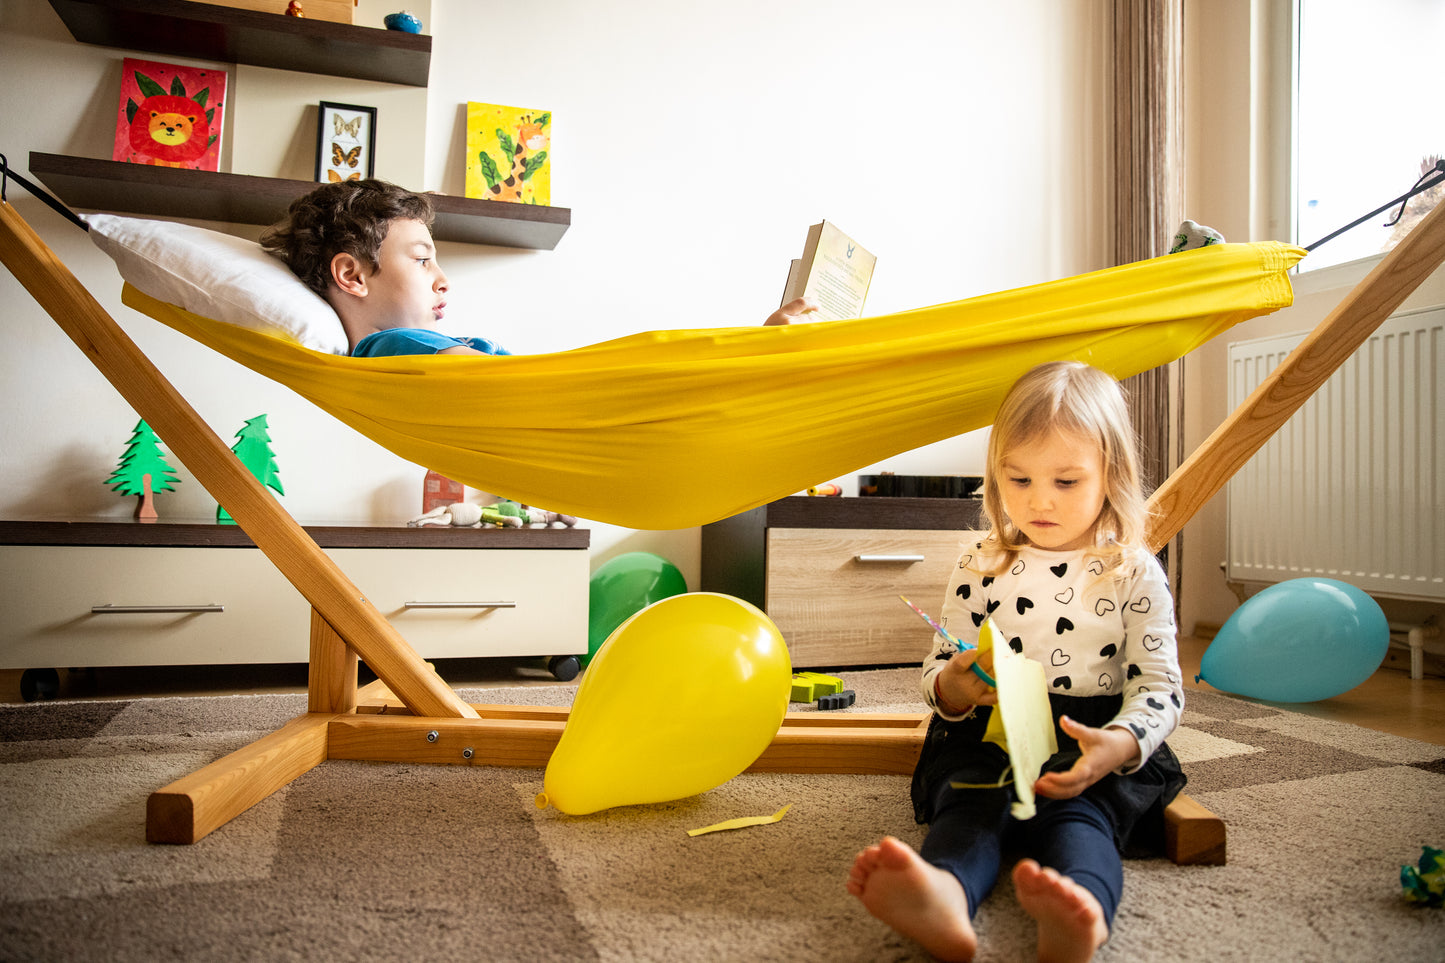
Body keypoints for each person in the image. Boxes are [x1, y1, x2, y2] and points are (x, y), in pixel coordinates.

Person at [847, 360, 1186, 963]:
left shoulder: (1132, 569)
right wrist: (953, 684)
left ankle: (1080, 915)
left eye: (1066, 481)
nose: (1039, 501)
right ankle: (946, 896)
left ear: (1112, 477)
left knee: (1081, 821)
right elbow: (938, 670)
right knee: (968, 805)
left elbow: (1160, 686)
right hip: (987, 731)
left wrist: (1120, 744)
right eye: (1019, 479)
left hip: (1090, 738)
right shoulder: (980, 561)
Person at [260, 179, 815, 356]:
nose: (442, 278)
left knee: (658, 355)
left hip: (565, 398)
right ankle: (759, 349)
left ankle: (758, 350)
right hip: (570, 401)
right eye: (423, 259)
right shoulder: (391, 345)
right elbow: (483, 380)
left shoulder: (399, 349)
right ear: (352, 276)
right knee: (658, 356)